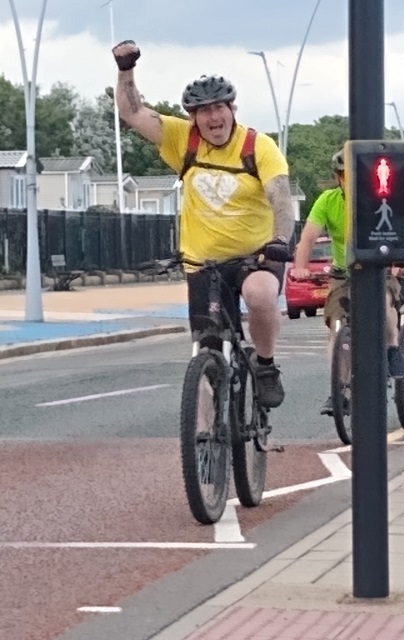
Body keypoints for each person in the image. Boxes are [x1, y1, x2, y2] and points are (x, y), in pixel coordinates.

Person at [112, 40, 295, 409]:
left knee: (260, 295)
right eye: (203, 111)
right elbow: (133, 112)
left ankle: (265, 365)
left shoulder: (257, 146)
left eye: (218, 108)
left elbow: (281, 199)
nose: (213, 118)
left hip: (256, 255)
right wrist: (126, 70)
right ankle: (202, 437)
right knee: (205, 351)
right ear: (193, 117)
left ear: (232, 109)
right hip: (203, 264)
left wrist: (280, 239)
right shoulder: (183, 140)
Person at [290, 149, 404, 415]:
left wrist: (397, 261)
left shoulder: (379, 198)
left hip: (378, 269)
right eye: (343, 175)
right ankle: (338, 390)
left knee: (384, 301)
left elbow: (397, 230)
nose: (349, 180)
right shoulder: (327, 201)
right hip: (344, 273)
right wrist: (300, 267)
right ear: (337, 178)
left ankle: (392, 347)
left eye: (354, 175)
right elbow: (308, 238)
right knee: (336, 328)